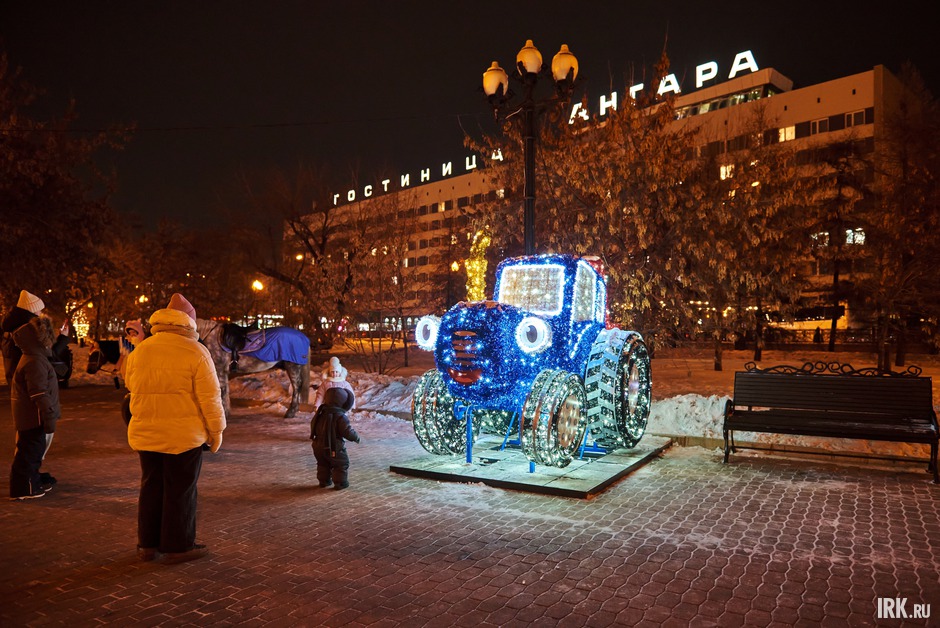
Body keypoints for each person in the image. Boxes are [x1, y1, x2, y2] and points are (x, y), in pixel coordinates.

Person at [125, 293, 226, 563]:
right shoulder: (196, 352)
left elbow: (131, 387)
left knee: (151, 486)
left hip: (147, 434)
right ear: (189, 323)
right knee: (180, 489)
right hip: (184, 437)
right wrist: (216, 433)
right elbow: (210, 399)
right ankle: (178, 546)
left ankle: (147, 545)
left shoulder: (142, 350)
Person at [9, 316, 61, 500]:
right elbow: (39, 392)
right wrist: (48, 414)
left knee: (32, 452)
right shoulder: (34, 361)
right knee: (29, 453)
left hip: (31, 416)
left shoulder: (34, 357)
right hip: (34, 416)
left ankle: (31, 483)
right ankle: (24, 488)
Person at [2, 290, 73, 387]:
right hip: (32, 381)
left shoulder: (10, 329)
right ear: (32, 310)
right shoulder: (28, 330)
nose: (41, 313)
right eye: (39, 309)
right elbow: (46, 356)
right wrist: (63, 338)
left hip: (17, 383)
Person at [309, 387, 360, 490]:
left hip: (317, 444)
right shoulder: (340, 416)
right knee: (341, 464)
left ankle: (324, 481)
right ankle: (340, 483)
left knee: (323, 463)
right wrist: (356, 437)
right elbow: (347, 431)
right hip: (333, 445)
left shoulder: (321, 412)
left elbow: (313, 424)